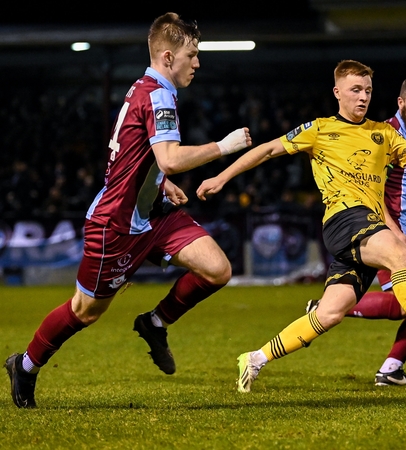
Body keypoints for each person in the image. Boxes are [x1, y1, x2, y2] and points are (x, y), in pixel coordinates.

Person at [4, 13, 253, 409]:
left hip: (152, 214)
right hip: (115, 224)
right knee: (84, 311)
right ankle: (27, 365)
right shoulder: (158, 94)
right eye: (193, 54)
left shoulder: (148, 88)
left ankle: (155, 324)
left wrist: (158, 181)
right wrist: (224, 146)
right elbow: (169, 158)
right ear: (169, 56)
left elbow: (134, 152)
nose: (198, 62)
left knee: (217, 269)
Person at [195, 60, 406, 393]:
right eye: (355, 90)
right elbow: (268, 150)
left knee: (329, 314)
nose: (363, 97)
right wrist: (222, 177)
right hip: (344, 219)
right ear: (337, 92)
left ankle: (254, 358)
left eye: (367, 90)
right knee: (399, 250)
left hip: (363, 228)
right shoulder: (321, 129)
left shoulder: (384, 134)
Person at [306, 75, 406, 386]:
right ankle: (327, 307)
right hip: (383, 229)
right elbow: (371, 189)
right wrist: (393, 231)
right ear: (401, 103)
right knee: (403, 303)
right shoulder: (383, 135)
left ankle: (391, 369)